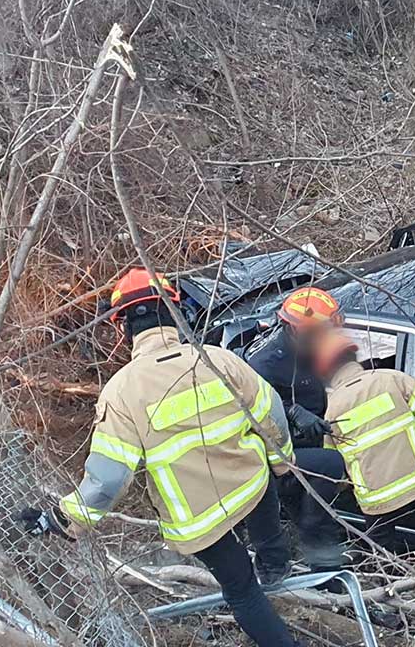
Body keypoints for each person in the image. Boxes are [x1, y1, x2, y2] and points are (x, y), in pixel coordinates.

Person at [15, 268, 299, 647]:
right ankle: (276, 565)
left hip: (199, 521)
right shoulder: (216, 359)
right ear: (173, 311)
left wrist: (62, 520)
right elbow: (272, 412)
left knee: (243, 592)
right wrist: (281, 464)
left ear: (124, 328)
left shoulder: (123, 391)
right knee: (268, 532)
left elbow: (108, 480)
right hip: (251, 483)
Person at [314, 332, 415, 560]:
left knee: (381, 549)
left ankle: (390, 587)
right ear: (354, 355)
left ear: (325, 371)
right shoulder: (393, 379)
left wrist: (344, 489)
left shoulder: (332, 408)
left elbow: (334, 460)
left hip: (376, 497)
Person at [247, 286, 350, 570]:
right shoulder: (266, 365)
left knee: (316, 505)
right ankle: (320, 557)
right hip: (278, 456)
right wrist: (292, 412)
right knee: (328, 468)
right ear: (294, 330)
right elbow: (248, 410)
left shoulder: (316, 349)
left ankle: (322, 561)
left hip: (315, 439)